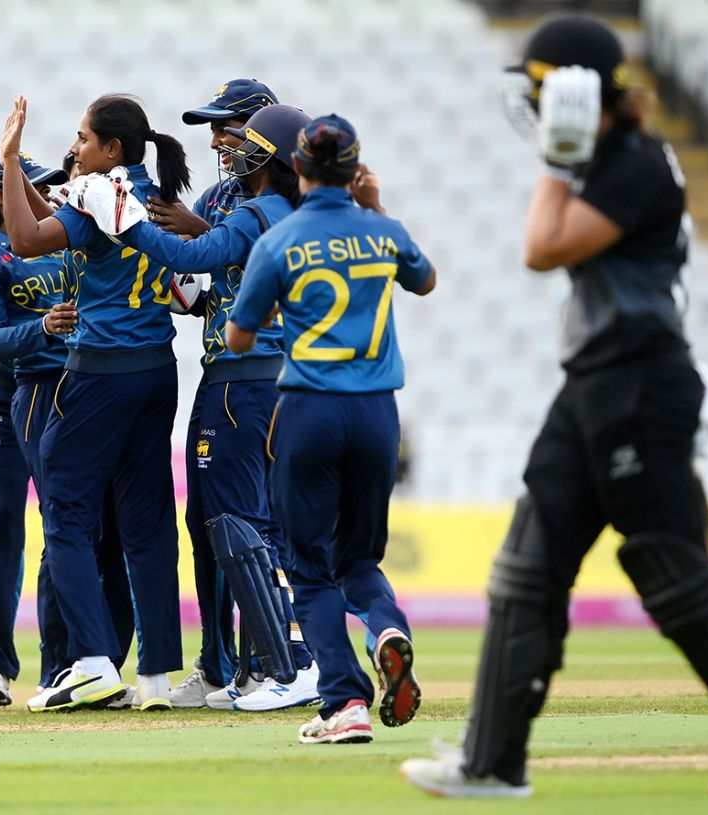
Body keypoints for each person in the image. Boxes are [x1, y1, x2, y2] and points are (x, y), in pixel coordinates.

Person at [399, 15, 708, 798]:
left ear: (573, 90)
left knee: (676, 570)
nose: (532, 105)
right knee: (528, 564)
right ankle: (491, 762)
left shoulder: (635, 165)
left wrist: (559, 163)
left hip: (640, 384)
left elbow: (542, 248)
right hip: (596, 384)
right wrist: (567, 159)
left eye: (542, 89)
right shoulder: (606, 160)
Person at [97, 102, 322, 712]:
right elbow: (209, 285)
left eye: (239, 134)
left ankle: (290, 664)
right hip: (260, 377)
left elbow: (194, 259)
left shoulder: (260, 209)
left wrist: (127, 222)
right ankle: (262, 665)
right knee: (239, 522)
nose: (226, 143)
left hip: (244, 379)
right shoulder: (278, 207)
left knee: (238, 521)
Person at [226, 114, 437, 744]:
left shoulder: (281, 240)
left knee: (309, 568)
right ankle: (387, 627)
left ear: (298, 169)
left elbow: (239, 337)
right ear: (355, 170)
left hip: (309, 410)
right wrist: (376, 208)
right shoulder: (381, 230)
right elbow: (424, 279)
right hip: (377, 414)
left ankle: (344, 703)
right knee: (359, 559)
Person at [0, 94, 187, 711]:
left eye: (83, 138)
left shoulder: (93, 193)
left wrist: (6, 161)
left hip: (101, 373)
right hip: (158, 369)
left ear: (111, 148)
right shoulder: (152, 195)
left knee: (66, 511)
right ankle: (158, 678)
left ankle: (92, 662)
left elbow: (25, 240)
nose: (75, 148)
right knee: (150, 522)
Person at [0, 151, 130, 705]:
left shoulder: (60, 241)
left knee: (66, 523)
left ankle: (60, 665)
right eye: (29, 187)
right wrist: (43, 328)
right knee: (0, 523)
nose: (44, 193)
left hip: (64, 391)